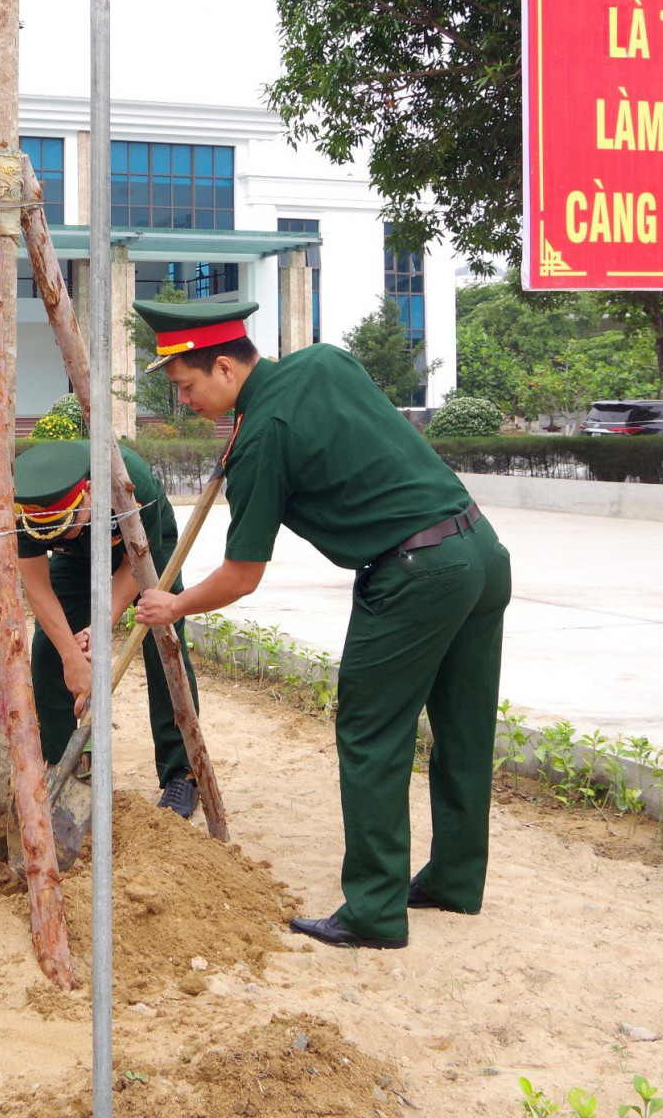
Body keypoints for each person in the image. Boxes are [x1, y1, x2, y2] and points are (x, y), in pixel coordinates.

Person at [129, 299, 511, 951]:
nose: (184, 403)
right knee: (464, 731)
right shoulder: (322, 360)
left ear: (223, 367)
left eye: (188, 388)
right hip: (479, 552)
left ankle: (373, 913)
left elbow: (241, 575)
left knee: (370, 734)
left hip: (414, 574)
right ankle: (454, 879)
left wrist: (173, 605)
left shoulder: (259, 439)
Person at [13, 440, 204, 818]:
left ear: (87, 492)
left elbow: (135, 565)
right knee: (51, 650)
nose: (59, 536)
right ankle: (62, 763)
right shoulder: (27, 502)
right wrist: (72, 655)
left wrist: (101, 628)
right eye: (50, 532)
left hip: (143, 545)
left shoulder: (126, 480)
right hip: (76, 559)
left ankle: (182, 770)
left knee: (162, 642)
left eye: (64, 526)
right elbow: (36, 583)